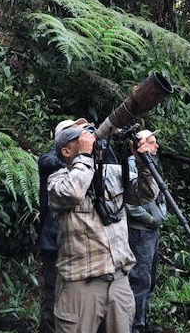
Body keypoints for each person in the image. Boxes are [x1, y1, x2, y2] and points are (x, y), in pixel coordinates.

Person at [48, 120, 155, 333]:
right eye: (78, 137)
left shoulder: (111, 173)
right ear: (66, 150)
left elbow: (145, 194)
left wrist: (143, 162)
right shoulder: (57, 180)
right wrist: (86, 157)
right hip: (81, 283)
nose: (88, 137)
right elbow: (72, 192)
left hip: (119, 281)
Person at [37, 118, 88, 333]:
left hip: (75, 240)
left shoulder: (81, 165)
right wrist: (79, 156)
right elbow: (52, 162)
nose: (81, 137)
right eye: (74, 134)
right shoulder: (49, 159)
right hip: (53, 240)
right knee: (52, 295)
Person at [126, 129, 167, 333]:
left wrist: (161, 215)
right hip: (140, 231)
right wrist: (150, 219)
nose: (156, 146)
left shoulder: (153, 166)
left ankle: (143, 321)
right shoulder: (133, 165)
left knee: (149, 278)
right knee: (140, 279)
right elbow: (130, 203)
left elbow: (159, 196)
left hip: (151, 231)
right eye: (152, 142)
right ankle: (136, 326)